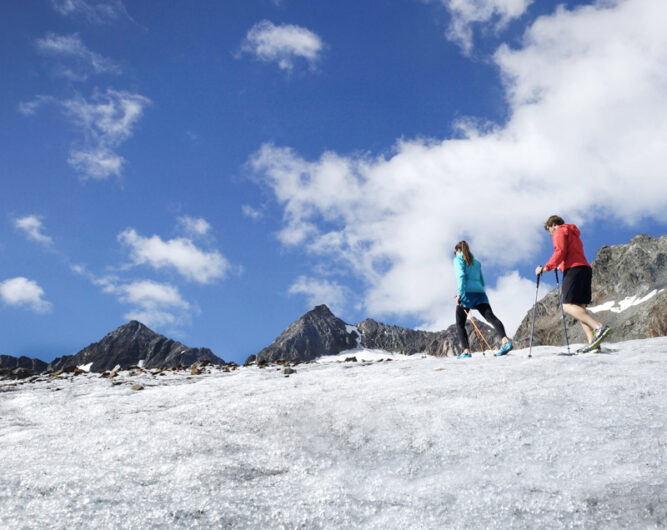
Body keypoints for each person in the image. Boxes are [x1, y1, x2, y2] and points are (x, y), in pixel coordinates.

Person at [535, 215, 611, 353]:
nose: (549, 232)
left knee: (567, 306)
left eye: (548, 229)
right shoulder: (573, 233)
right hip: (584, 269)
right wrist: (561, 266)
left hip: (574, 270)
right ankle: (593, 343)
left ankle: (598, 327)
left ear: (552, 224)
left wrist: (545, 268)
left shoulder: (559, 231)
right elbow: (571, 253)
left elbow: (560, 251)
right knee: (579, 307)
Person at [454, 241, 513, 358]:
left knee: (460, 323)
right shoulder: (477, 263)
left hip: (466, 293)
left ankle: (466, 351)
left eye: (454, 252)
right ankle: (505, 341)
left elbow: (461, 276)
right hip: (480, 293)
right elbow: (482, 281)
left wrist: (459, 294)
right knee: (490, 317)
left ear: (457, 251)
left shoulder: (458, 260)